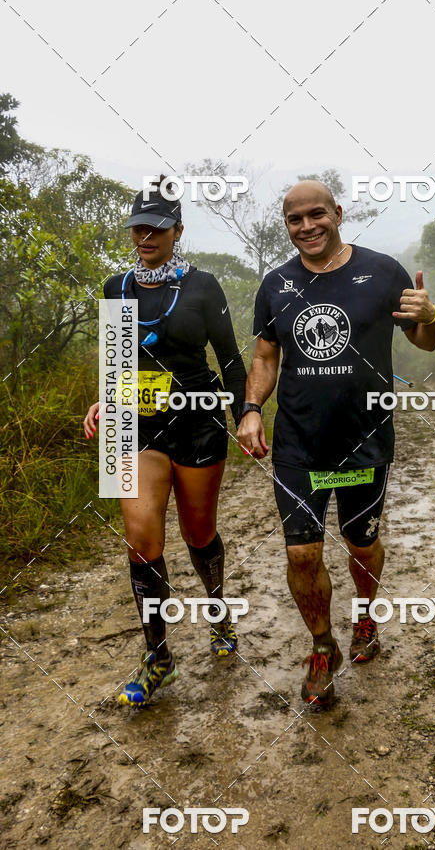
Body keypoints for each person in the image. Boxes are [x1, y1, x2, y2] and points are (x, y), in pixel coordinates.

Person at [237, 179, 435, 708]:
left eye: (316, 215)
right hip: (298, 446)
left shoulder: (382, 272)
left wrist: (432, 316)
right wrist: (253, 408)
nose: (306, 227)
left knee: (359, 544)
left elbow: (424, 338)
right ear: (286, 225)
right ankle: (322, 646)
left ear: (338, 213)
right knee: (302, 551)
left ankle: (366, 616)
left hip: (364, 442)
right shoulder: (276, 285)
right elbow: (265, 357)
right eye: (294, 219)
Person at [84, 178, 246, 708]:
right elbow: (115, 362)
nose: (145, 236)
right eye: (138, 228)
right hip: (137, 423)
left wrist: (246, 412)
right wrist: (103, 400)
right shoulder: (117, 287)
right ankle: (159, 657)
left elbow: (231, 359)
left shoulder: (203, 286)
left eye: (156, 228)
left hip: (199, 419)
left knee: (198, 533)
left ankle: (218, 613)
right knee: (140, 535)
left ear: (178, 230)